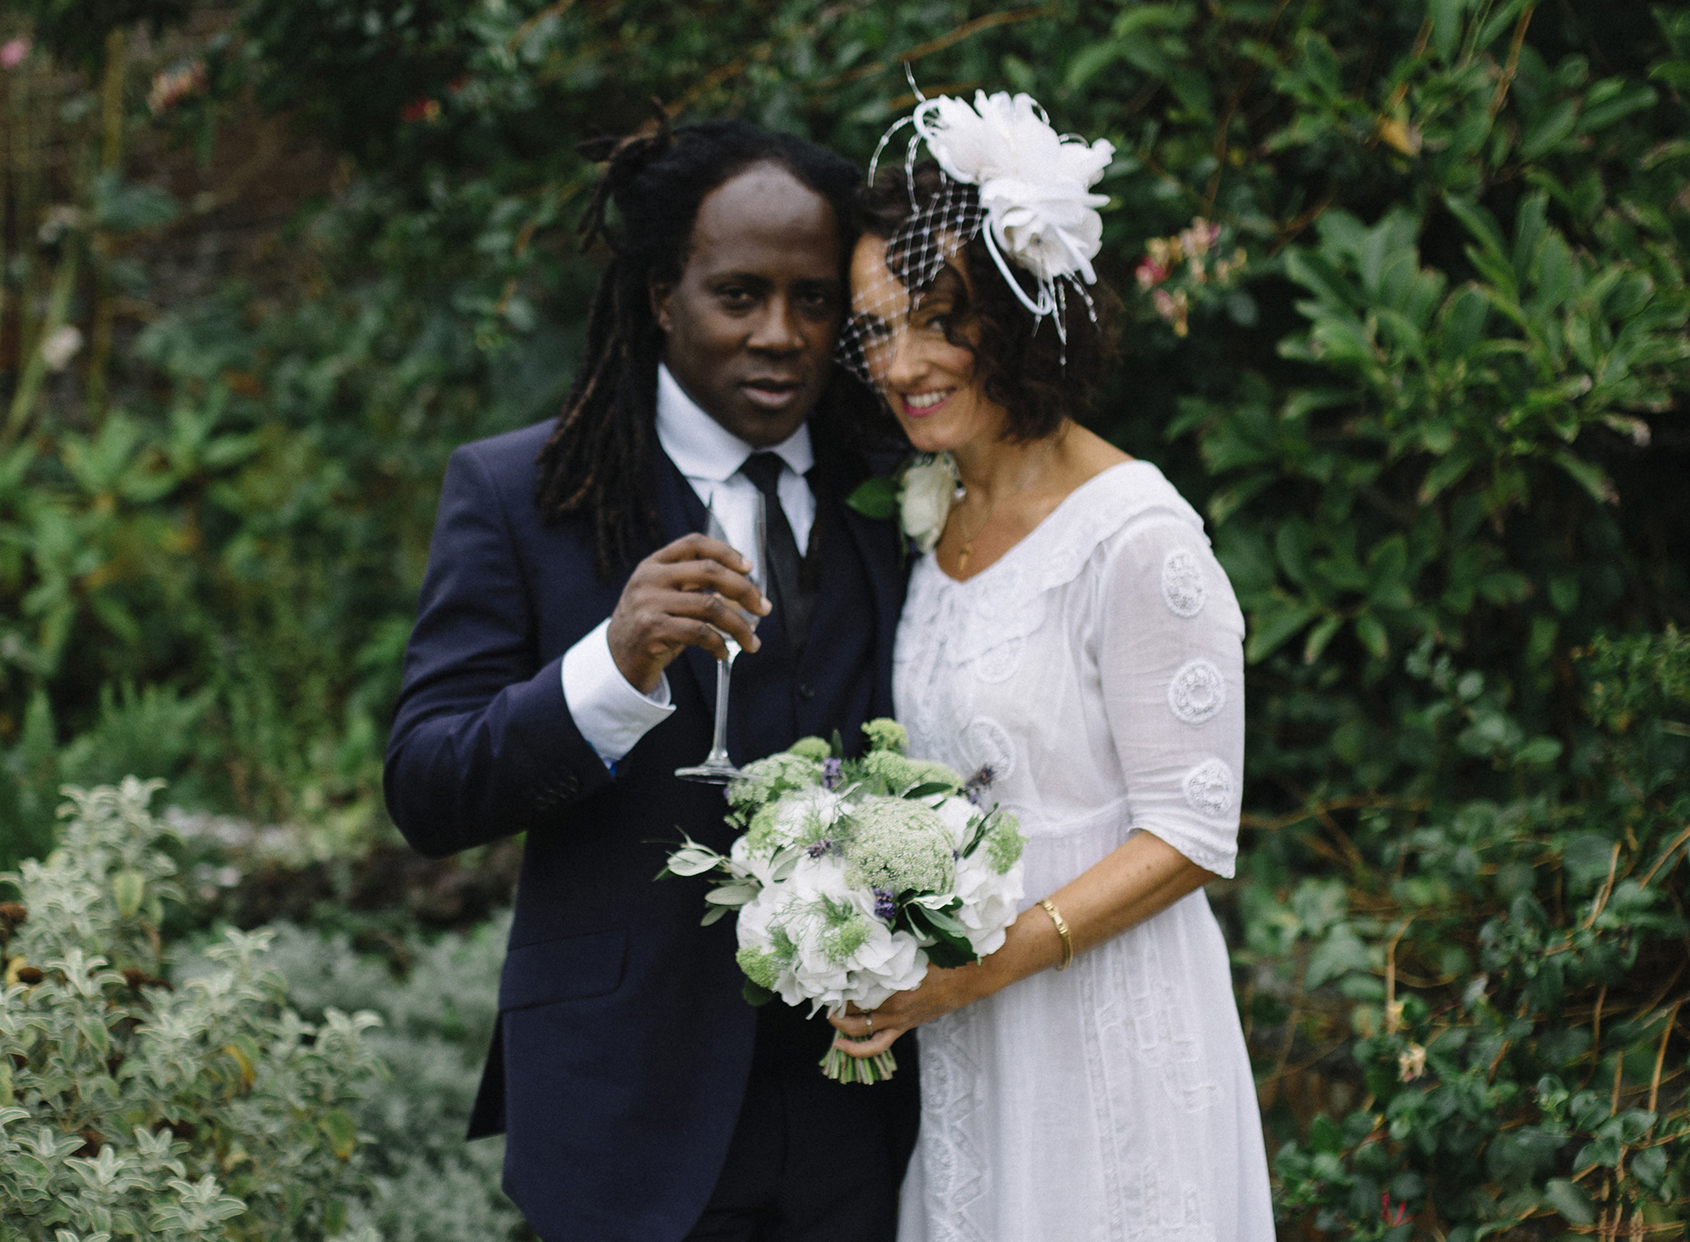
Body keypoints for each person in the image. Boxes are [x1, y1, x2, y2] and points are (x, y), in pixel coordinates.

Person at [384, 118, 918, 1242]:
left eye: (813, 300)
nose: (779, 335)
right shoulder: (519, 494)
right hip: (627, 1108)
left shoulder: (903, 493)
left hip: (865, 1113)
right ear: (660, 298)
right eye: (737, 295)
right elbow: (427, 789)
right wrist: (608, 670)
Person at [823, 93, 1277, 1240]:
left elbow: (1191, 831)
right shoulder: (938, 511)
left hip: (1106, 1026)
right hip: (975, 1044)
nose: (900, 363)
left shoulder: (1134, 536)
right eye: (874, 330)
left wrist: (978, 970)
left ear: (1025, 318)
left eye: (934, 321)